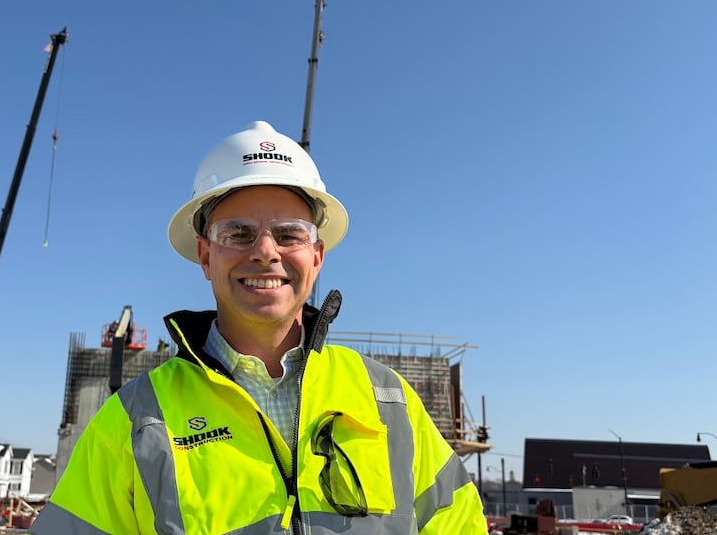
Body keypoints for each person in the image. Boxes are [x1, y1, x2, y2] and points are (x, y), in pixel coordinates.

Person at [33, 121, 487, 534]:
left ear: (317, 257)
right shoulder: (136, 420)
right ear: (206, 257)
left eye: (289, 234)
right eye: (238, 234)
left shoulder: (389, 402)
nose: (266, 251)